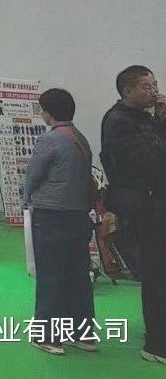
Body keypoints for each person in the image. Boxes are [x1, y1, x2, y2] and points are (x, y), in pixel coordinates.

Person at [20, 87, 96, 355]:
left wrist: (26, 199)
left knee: (50, 275)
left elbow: (33, 175)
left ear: (47, 112)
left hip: (51, 216)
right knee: (78, 275)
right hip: (78, 215)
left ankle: (48, 337)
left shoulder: (49, 140)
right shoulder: (79, 137)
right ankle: (83, 335)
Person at [101, 65, 166, 365]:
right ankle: (156, 345)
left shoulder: (144, 118)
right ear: (128, 91)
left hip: (155, 205)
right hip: (145, 210)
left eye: (155, 85)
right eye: (146, 86)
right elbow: (150, 165)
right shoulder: (118, 122)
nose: (154, 91)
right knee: (156, 276)